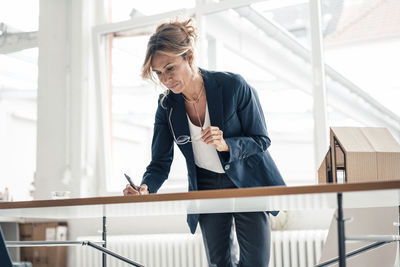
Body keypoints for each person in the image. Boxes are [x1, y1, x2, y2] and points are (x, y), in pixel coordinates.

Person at [122, 18, 286, 267]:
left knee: (256, 263)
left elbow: (261, 139)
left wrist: (227, 145)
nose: (165, 79)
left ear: (188, 56)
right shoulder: (166, 107)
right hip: (206, 184)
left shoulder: (233, 86)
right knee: (218, 263)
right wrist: (145, 188)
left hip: (247, 182)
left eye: (169, 68)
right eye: (158, 73)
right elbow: (159, 163)